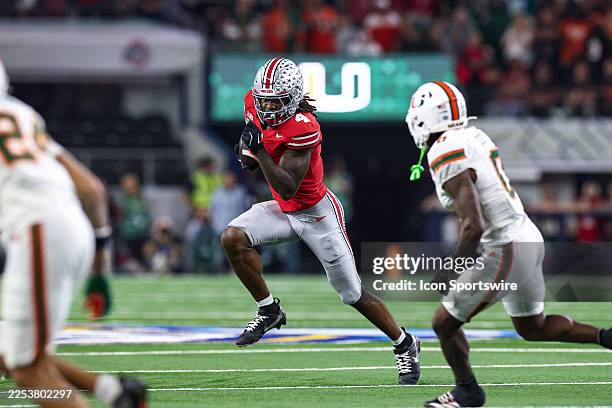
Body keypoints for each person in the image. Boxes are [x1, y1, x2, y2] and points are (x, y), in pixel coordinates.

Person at [405, 80, 612, 407]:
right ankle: (606, 337)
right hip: (527, 235)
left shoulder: (445, 149)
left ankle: (467, 391)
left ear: (425, 118)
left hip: (506, 245)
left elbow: (474, 225)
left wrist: (450, 269)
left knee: (443, 323)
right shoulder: (472, 135)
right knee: (533, 327)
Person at [221, 58, 421, 385]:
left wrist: (259, 152)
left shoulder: (305, 126)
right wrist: (247, 153)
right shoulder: (253, 105)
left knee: (352, 293)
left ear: (293, 97)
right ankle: (269, 309)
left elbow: (288, 183)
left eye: (276, 101)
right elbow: (249, 162)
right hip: (284, 210)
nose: (268, 107)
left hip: (316, 213)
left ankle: (404, 343)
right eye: (264, 100)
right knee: (232, 237)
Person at [0, 59, 146, 407]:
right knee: (17, 353)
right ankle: (113, 391)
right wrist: (100, 272)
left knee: (27, 371)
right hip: (71, 228)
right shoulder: (23, 115)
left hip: (38, 230)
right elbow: (92, 189)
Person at [117, 173, 151, 268]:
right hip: (129, 235)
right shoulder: (123, 201)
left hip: (143, 234)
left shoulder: (142, 198)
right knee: (132, 261)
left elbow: (146, 214)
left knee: (144, 258)